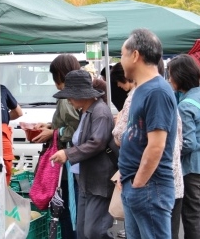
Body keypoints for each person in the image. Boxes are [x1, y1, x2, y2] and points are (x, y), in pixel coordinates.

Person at [112, 61, 184, 239]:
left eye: (124, 54)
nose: (122, 59)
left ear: (135, 56)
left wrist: (138, 183)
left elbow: (155, 146)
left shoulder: (155, 92)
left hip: (150, 184)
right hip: (147, 182)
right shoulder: (145, 91)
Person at [50, 70, 116, 239]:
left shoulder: (100, 112)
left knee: (94, 231)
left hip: (99, 180)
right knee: (82, 231)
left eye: (71, 95)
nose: (69, 100)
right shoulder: (86, 112)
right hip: (87, 179)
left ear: (83, 94)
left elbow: (97, 143)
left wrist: (67, 153)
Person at [32, 54, 81, 239]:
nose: (55, 83)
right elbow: (67, 121)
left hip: (67, 158)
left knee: (67, 207)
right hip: (73, 157)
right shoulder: (76, 93)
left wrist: (54, 133)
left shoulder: (66, 97)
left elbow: (76, 126)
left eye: (55, 77)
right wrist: (50, 126)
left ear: (60, 75)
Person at [168, 54, 200, 239]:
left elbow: (188, 143)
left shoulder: (186, 106)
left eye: (171, 74)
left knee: (192, 216)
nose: (169, 79)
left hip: (192, 171)